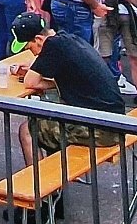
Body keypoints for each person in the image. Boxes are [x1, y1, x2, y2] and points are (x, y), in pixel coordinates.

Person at [8, 11, 126, 163]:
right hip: (115, 121)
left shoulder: (52, 46)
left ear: (38, 39)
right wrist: (37, 67)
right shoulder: (68, 39)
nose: (32, 53)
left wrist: (35, 70)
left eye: (30, 48)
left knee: (28, 130)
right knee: (51, 123)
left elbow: (30, 82)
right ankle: (54, 174)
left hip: (101, 130)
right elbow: (69, 77)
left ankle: (38, 178)